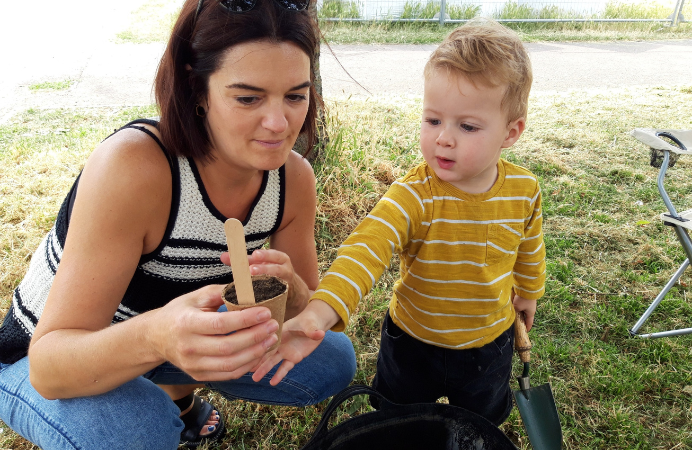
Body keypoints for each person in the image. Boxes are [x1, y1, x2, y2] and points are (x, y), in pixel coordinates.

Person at [0, 0, 356, 448]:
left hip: (164, 338)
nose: (278, 123)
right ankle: (152, 400)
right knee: (139, 431)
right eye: (248, 97)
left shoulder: (294, 179)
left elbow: (309, 312)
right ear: (197, 88)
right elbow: (49, 367)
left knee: (330, 358)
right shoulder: (135, 167)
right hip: (44, 357)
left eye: (296, 95)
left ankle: (174, 392)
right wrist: (156, 336)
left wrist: (299, 294)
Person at [253, 19, 545, 426]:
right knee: (399, 421)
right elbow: (365, 249)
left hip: (488, 343)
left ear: (511, 132)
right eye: (433, 120)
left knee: (476, 423)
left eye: (467, 126)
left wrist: (528, 292)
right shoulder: (413, 195)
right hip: (412, 342)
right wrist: (319, 313)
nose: (444, 138)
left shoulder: (524, 189)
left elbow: (529, 246)